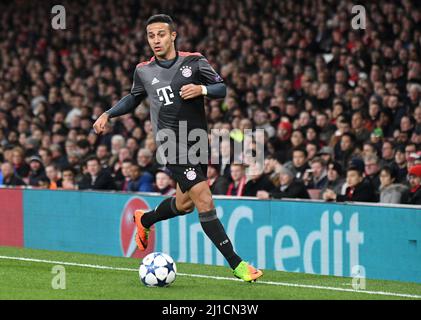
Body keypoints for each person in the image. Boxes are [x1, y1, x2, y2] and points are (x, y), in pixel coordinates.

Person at [93, 14, 262, 282]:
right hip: (171, 144)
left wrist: (202, 90)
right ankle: (238, 265)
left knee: (184, 205)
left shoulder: (194, 61)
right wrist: (108, 113)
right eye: (151, 36)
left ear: (173, 35)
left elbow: (221, 88)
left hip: (197, 142)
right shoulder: (143, 70)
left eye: (161, 34)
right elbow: (133, 97)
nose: (155, 40)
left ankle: (145, 220)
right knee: (205, 201)